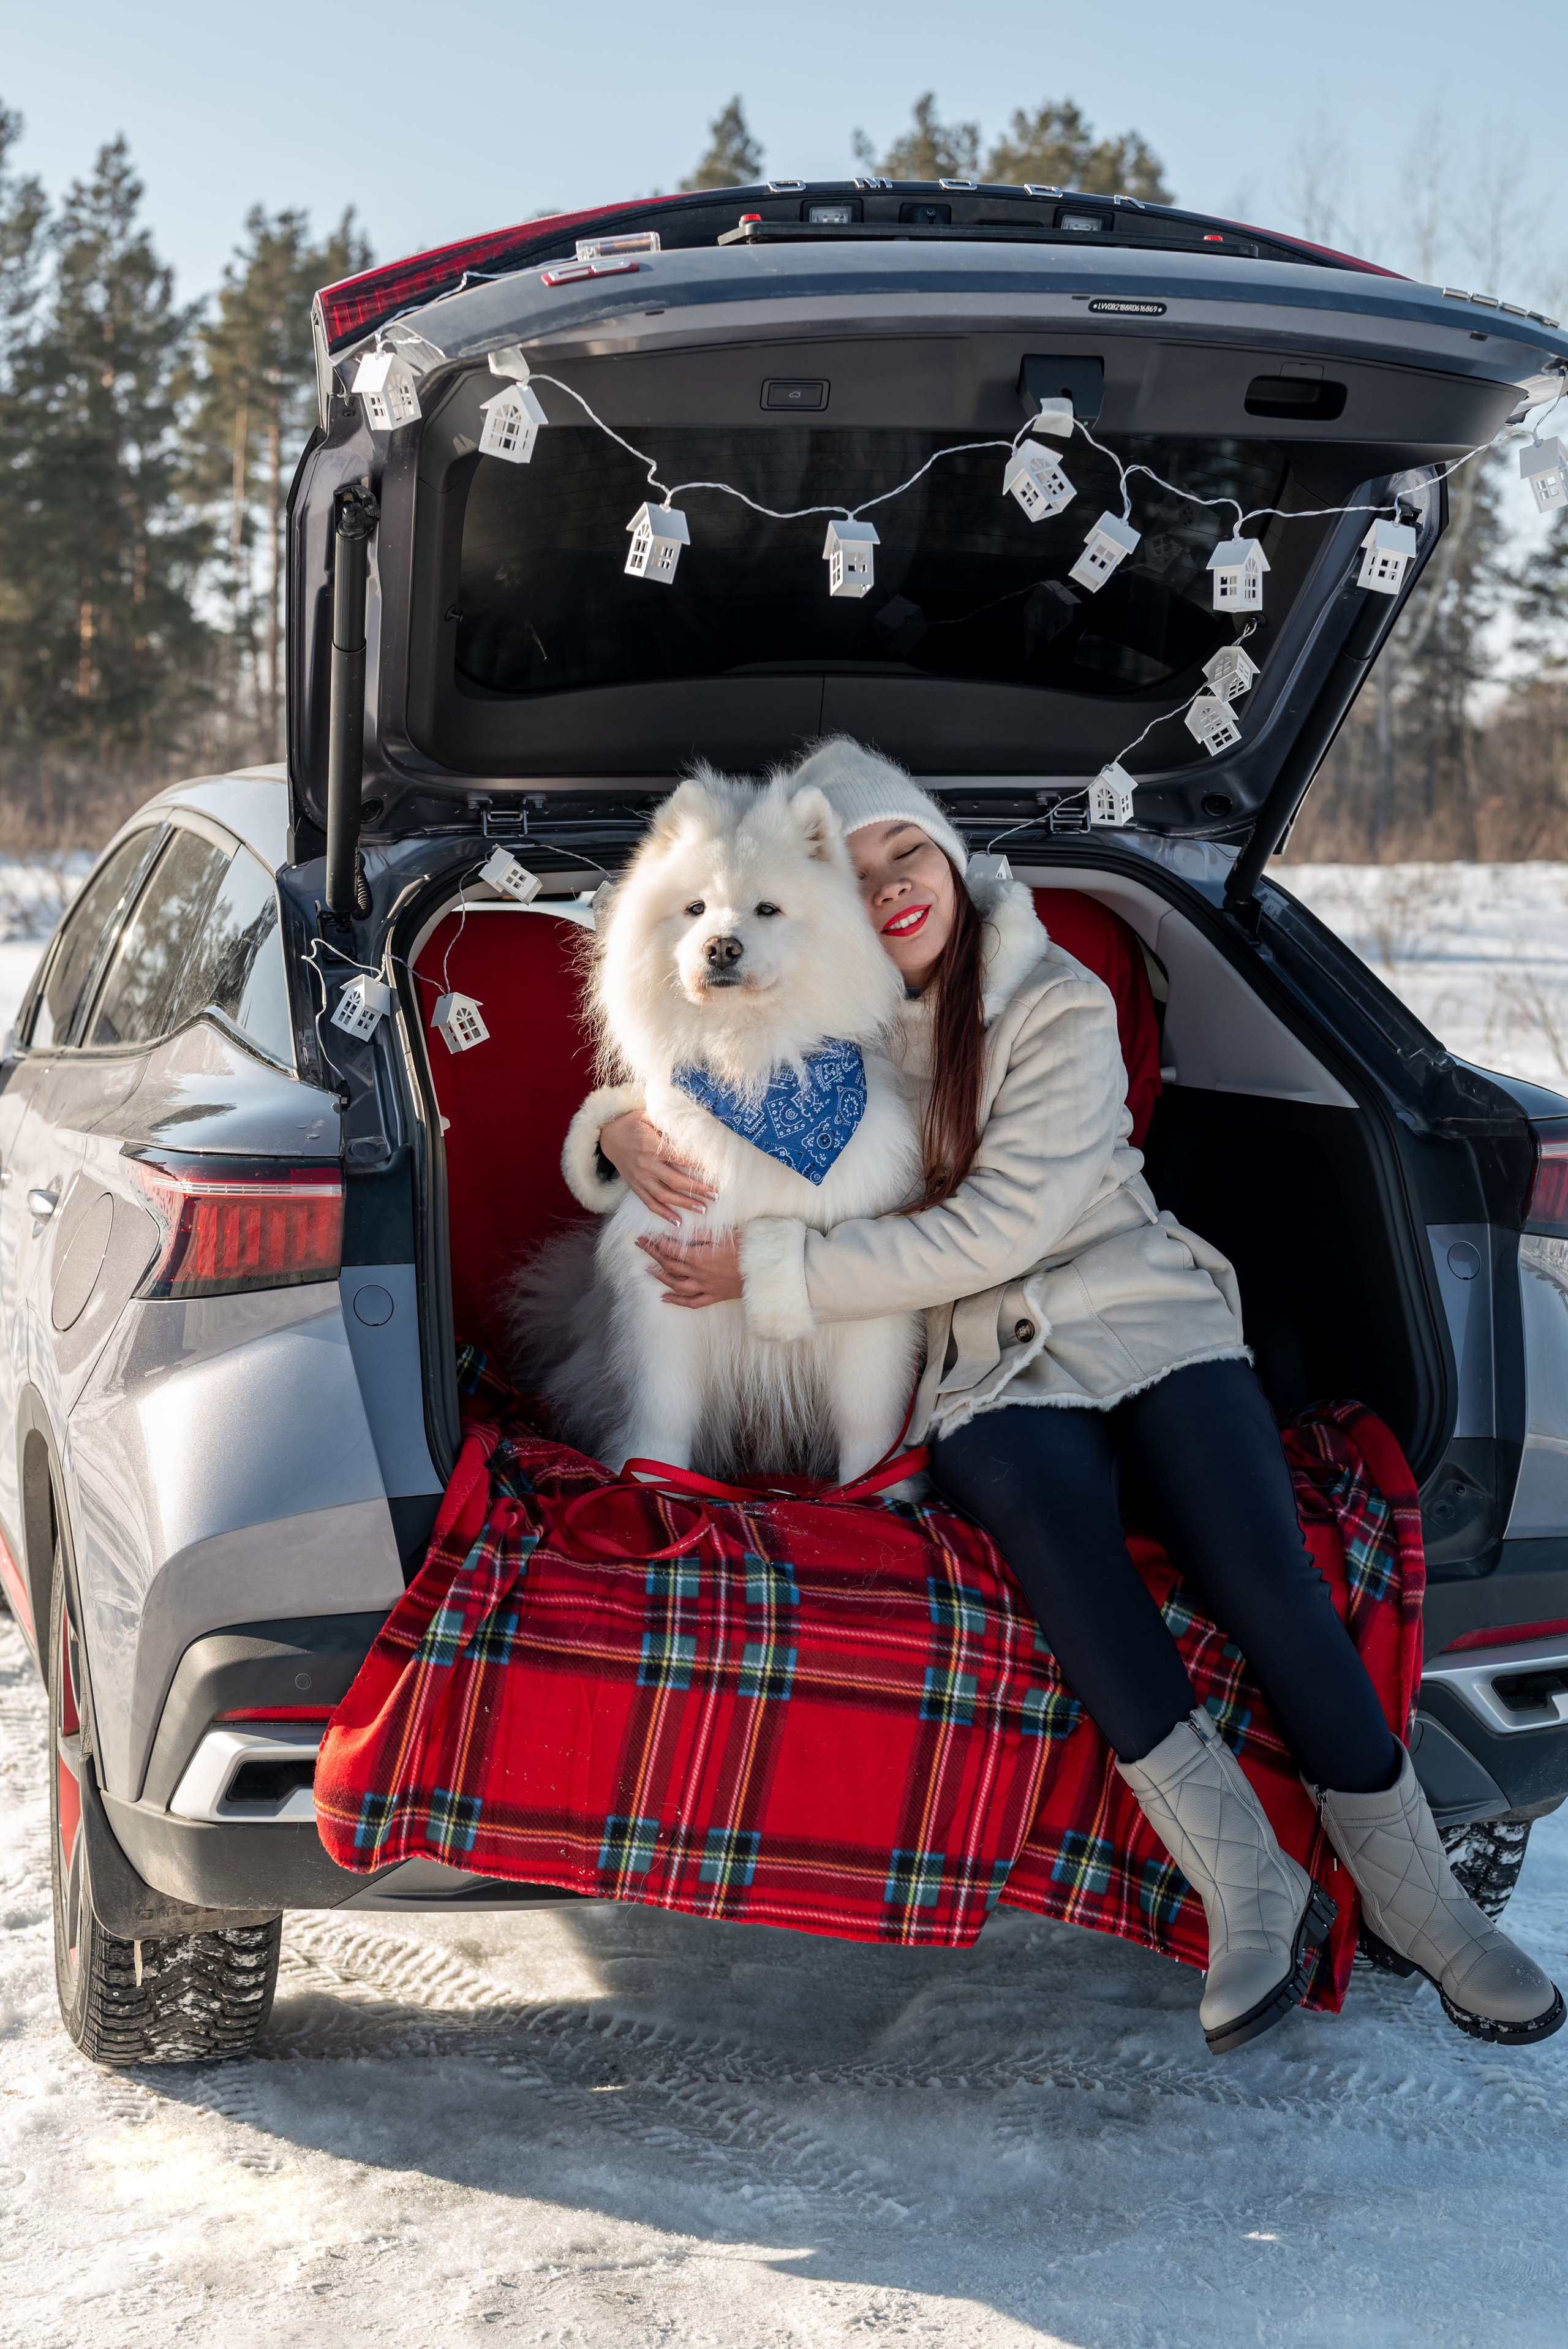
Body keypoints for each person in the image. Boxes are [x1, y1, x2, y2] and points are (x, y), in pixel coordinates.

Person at [562, 738, 1562, 2056]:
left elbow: (1001, 1223)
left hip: (1136, 1309)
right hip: (984, 1357)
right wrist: (609, 1122)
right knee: (1046, 1527)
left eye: (903, 853)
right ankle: (1243, 1886)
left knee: (1256, 1562)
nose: (886, 892)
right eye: (851, 878)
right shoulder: (833, 1021)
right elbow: (697, 1078)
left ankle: (1417, 1900)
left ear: (949, 858)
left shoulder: (1053, 1001)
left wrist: (770, 1267)